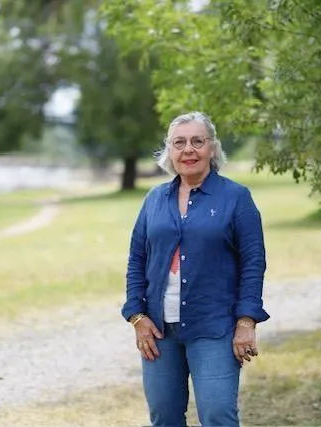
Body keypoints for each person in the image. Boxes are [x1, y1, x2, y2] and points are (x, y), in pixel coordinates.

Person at [121, 111, 270, 427]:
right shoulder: (154, 199)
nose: (188, 149)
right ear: (169, 150)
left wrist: (246, 321)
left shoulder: (236, 198)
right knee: (164, 417)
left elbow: (253, 263)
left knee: (217, 416)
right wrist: (137, 316)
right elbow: (136, 260)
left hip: (214, 327)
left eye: (197, 141)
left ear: (212, 147)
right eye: (179, 143)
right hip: (159, 331)